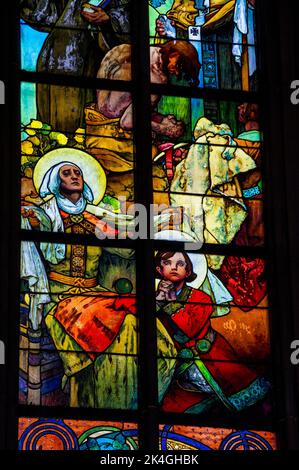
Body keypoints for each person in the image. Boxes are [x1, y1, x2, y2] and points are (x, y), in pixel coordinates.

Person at [84, 40, 200, 204]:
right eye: (179, 66)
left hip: (97, 117)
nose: (176, 73)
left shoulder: (136, 49)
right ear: (174, 54)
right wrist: (163, 128)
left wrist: (160, 119)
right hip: (112, 134)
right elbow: (127, 122)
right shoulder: (156, 79)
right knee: (153, 158)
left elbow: (131, 106)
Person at [155, 251, 271, 414]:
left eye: (180, 264)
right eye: (167, 263)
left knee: (248, 404)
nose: (174, 267)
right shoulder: (156, 300)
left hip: (213, 360)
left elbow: (190, 329)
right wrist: (158, 302)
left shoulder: (201, 298)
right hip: (178, 371)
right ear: (159, 270)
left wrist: (171, 303)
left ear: (188, 271)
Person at [20, 0, 131, 132]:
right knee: (54, 127)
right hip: (56, 57)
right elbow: (43, 13)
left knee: (84, 124)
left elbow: (131, 14)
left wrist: (109, 19)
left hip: (98, 60)